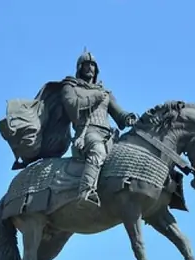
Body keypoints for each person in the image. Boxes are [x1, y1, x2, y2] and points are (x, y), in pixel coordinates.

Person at [59, 50, 138, 205]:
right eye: (87, 65)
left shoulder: (104, 92)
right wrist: (94, 97)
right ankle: (86, 192)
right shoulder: (70, 87)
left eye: (93, 65)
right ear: (80, 67)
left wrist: (127, 117)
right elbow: (72, 105)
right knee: (98, 150)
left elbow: (118, 112)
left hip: (108, 136)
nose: (90, 68)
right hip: (86, 134)